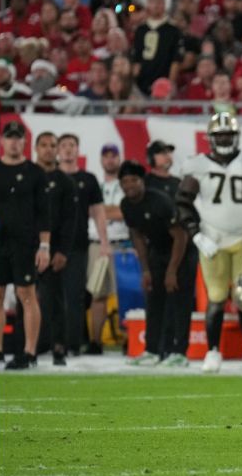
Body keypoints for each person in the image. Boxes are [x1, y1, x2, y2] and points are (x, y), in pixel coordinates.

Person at [175, 113, 242, 373]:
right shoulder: (198, 165)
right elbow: (182, 202)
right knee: (215, 299)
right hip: (212, 239)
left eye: (228, 134)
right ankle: (213, 351)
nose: (225, 139)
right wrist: (196, 234)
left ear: (236, 137)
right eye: (220, 135)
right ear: (211, 138)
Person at [120, 160, 196, 366]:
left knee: (179, 301)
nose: (129, 185)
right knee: (154, 299)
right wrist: (146, 270)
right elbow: (137, 236)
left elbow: (180, 236)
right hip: (158, 250)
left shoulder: (160, 201)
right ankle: (152, 350)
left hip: (182, 251)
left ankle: (179, 352)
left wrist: (172, 271)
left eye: (134, 180)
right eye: (124, 181)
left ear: (142, 181)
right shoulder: (126, 205)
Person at [0, 121, 51, 370]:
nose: (14, 142)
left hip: (25, 242)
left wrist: (44, 246)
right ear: (2, 141)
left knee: (26, 295)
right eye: (10, 138)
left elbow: (44, 212)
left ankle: (29, 351)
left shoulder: (35, 173)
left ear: (24, 143)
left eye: (18, 138)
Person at [53, 134, 111, 361]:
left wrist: (104, 242)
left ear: (78, 150)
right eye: (64, 146)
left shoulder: (88, 179)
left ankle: (73, 343)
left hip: (77, 244)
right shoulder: (49, 177)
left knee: (75, 295)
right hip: (49, 245)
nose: (68, 150)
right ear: (58, 150)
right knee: (46, 295)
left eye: (72, 146)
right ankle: (49, 341)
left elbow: (98, 212)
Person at [32, 132, 79, 365]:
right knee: (26, 298)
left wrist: (62, 251)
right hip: (27, 247)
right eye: (44, 145)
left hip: (54, 249)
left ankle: (59, 346)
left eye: (53, 145)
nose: (49, 149)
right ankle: (30, 346)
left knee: (56, 299)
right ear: (35, 148)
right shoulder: (28, 175)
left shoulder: (65, 181)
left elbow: (70, 220)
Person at [87, 143, 129, 354]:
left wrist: (100, 211)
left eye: (114, 156)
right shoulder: (96, 184)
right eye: (106, 156)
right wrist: (109, 211)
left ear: (119, 158)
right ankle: (95, 342)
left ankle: (131, 339)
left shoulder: (126, 184)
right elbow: (90, 210)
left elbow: (125, 211)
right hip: (98, 245)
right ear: (101, 160)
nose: (110, 160)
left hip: (124, 244)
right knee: (98, 294)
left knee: (129, 293)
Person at [131, 0, 182, 95]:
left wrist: (170, 83)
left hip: (163, 80)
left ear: (164, 4)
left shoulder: (173, 30)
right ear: (147, 4)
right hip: (142, 82)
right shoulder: (141, 30)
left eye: (159, 2)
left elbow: (176, 59)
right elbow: (137, 59)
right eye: (152, 2)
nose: (156, 5)